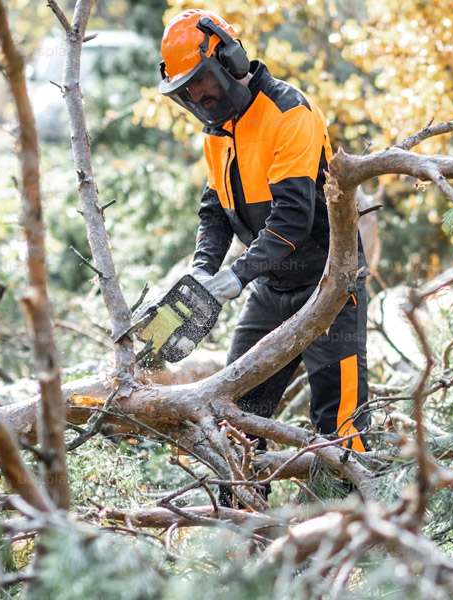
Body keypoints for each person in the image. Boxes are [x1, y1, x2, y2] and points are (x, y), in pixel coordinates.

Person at [155, 9, 370, 496]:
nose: (198, 97)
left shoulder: (288, 112)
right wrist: (202, 271)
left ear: (229, 59)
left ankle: (356, 545)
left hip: (329, 286)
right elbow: (215, 209)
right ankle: (245, 542)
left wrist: (237, 275)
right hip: (271, 285)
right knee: (236, 417)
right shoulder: (218, 129)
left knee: (340, 424)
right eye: (187, 90)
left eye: (202, 82)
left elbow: (293, 216)